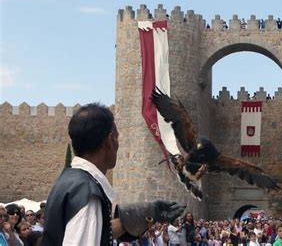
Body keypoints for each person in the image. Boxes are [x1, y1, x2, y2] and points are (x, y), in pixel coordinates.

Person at [43, 103, 186, 245]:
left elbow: (97, 233)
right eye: (117, 138)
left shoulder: (70, 182)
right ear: (110, 141)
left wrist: (148, 213)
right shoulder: (88, 194)